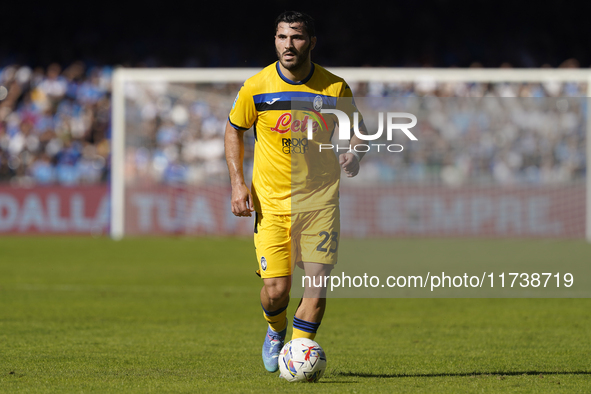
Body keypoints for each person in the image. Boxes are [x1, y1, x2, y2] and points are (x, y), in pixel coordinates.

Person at [224, 10, 366, 373]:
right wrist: (238, 183)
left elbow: (358, 127)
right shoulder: (256, 87)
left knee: (316, 287)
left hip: (320, 202)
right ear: (275, 40)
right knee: (276, 291)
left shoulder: (334, 87)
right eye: (282, 37)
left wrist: (355, 151)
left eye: (297, 37)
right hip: (271, 203)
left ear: (311, 42)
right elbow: (234, 129)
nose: (289, 44)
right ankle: (275, 330)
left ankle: (298, 358)